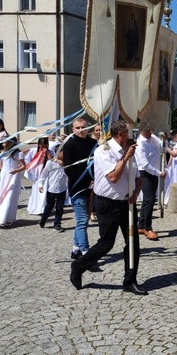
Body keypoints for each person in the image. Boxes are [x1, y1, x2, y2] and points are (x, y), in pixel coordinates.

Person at [70, 120, 147, 295]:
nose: (131, 137)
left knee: (133, 242)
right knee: (106, 244)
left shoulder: (130, 151)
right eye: (129, 133)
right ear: (121, 134)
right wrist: (125, 157)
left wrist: (135, 194)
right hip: (108, 203)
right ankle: (78, 265)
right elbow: (113, 177)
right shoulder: (103, 151)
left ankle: (130, 280)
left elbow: (137, 176)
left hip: (127, 204)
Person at [59, 117, 98, 260]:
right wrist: (84, 182)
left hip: (92, 187)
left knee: (84, 219)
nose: (81, 130)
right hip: (78, 187)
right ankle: (85, 252)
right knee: (82, 220)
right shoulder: (69, 144)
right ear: (73, 129)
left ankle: (75, 248)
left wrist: (95, 179)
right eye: (78, 128)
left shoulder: (93, 143)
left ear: (88, 127)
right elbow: (68, 169)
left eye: (83, 127)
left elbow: (95, 164)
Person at [135, 124, 165, 240]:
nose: (150, 131)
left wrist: (165, 139)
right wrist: (159, 173)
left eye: (150, 129)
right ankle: (148, 227)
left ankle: (142, 225)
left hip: (154, 172)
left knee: (149, 200)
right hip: (146, 173)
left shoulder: (153, 139)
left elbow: (162, 147)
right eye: (147, 129)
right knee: (149, 199)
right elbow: (144, 164)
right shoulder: (140, 144)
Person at [0, 139, 25, 228]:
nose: (2, 144)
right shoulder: (3, 153)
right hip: (4, 178)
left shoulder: (18, 154)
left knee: (9, 198)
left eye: (4, 142)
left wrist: (16, 170)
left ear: (10, 143)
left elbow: (24, 166)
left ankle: (7, 218)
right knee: (2, 197)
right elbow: (1, 166)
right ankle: (0, 218)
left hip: (13, 178)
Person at [38, 152, 68, 232]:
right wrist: (41, 184)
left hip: (62, 189)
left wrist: (64, 166)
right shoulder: (50, 163)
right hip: (52, 189)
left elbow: (69, 175)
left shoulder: (67, 163)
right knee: (49, 206)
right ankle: (43, 218)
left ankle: (57, 223)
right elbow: (44, 174)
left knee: (60, 207)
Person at [24, 137, 50, 216]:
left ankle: (43, 208)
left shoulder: (50, 152)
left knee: (45, 191)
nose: (43, 147)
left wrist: (47, 154)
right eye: (41, 146)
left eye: (45, 145)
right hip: (37, 174)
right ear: (38, 145)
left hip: (46, 173)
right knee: (36, 191)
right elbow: (27, 159)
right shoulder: (33, 151)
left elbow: (53, 161)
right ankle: (36, 207)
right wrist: (31, 166)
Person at [88, 124, 102, 222]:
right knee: (92, 193)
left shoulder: (104, 142)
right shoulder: (91, 142)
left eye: (100, 130)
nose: (98, 132)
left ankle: (97, 211)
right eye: (97, 130)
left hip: (101, 169)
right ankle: (91, 212)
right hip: (92, 169)